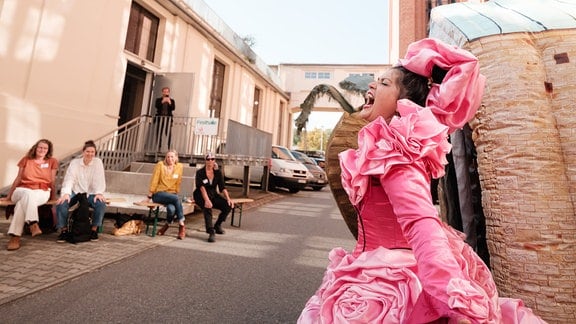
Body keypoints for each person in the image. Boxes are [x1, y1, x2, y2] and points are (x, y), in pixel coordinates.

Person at [298, 38, 546, 323]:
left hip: (392, 286)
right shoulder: (388, 148)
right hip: (376, 272)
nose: (371, 86)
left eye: (384, 83)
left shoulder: (397, 153)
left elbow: (421, 224)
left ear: (403, 103)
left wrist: (453, 300)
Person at [2, 139, 58, 251]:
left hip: (42, 190)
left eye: (45, 148)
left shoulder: (52, 161)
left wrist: (52, 196)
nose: (42, 150)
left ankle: (15, 237)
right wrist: (9, 196)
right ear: (35, 148)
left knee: (21, 205)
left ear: (48, 150)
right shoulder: (26, 159)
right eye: (40, 147)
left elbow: (52, 181)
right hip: (22, 189)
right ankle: (33, 222)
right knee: (27, 193)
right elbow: (18, 178)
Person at [56, 140, 106, 242]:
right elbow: (69, 178)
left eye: (92, 152)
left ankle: (93, 230)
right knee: (61, 203)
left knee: (101, 204)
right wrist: (65, 194)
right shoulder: (75, 163)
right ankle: (64, 231)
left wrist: (99, 192)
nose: (90, 154)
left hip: (91, 193)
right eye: (88, 151)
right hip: (76, 191)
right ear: (83, 152)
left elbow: (99, 178)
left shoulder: (98, 163)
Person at [145, 149, 186, 239]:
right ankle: (181, 225)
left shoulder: (179, 167)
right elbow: (154, 180)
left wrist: (176, 193)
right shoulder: (160, 165)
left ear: (176, 158)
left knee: (171, 210)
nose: (170, 159)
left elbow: (178, 182)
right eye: (168, 156)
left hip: (172, 195)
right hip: (159, 194)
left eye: (172, 157)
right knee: (177, 199)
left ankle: (166, 225)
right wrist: (149, 195)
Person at [193, 152, 234, 243]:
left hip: (212, 194)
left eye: (212, 159)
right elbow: (201, 187)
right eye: (208, 159)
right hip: (200, 194)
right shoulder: (200, 172)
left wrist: (228, 198)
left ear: (214, 160)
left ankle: (218, 225)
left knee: (227, 206)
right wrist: (207, 200)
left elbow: (222, 187)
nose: (210, 161)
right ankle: (211, 231)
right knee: (207, 207)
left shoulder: (217, 172)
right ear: (205, 160)